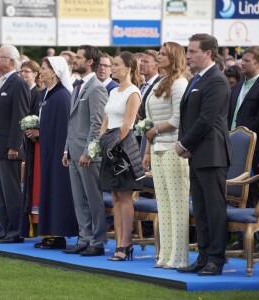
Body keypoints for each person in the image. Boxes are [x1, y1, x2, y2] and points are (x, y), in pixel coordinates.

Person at [175, 34, 232, 276]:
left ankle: (216, 260)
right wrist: (184, 142)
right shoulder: (196, 79)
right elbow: (187, 116)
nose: (188, 55)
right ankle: (204, 256)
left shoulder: (216, 80)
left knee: (214, 209)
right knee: (200, 210)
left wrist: (184, 142)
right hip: (197, 153)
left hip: (212, 154)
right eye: (188, 50)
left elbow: (206, 119)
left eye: (192, 51)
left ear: (208, 53)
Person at [142, 42, 189, 269]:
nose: (158, 57)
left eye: (162, 54)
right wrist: (148, 149)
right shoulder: (160, 82)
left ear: (173, 57)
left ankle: (179, 256)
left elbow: (178, 120)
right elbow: (150, 118)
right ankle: (165, 253)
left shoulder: (180, 83)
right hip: (158, 147)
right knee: (163, 204)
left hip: (174, 149)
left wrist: (155, 130)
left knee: (177, 206)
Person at [62, 45, 108, 256]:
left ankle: (97, 242)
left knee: (92, 199)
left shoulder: (97, 88)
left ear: (90, 62)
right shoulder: (77, 86)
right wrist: (66, 150)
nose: (74, 61)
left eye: (79, 57)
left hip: (87, 154)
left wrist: (89, 152)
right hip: (73, 150)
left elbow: (97, 124)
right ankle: (84, 238)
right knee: (79, 199)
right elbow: (72, 122)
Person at [99, 51, 144, 261]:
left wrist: (113, 145)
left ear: (128, 68)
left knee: (125, 197)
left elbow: (127, 123)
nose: (112, 68)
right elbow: (106, 119)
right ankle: (119, 242)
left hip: (123, 147)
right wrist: (100, 142)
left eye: (116, 65)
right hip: (109, 143)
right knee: (115, 197)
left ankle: (126, 245)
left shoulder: (133, 92)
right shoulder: (114, 91)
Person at [0, 45, 30, 243]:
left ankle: (15, 231)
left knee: (11, 191)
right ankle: (3, 229)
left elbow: (19, 116)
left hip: (9, 147)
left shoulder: (18, 83)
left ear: (11, 61)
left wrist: (15, 145)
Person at [227, 46, 259, 252]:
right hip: (232, 147)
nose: (242, 63)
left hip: (253, 148)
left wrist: (258, 153)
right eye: (242, 60)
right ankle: (240, 235)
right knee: (236, 193)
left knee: (253, 191)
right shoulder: (237, 87)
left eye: (247, 61)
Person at [33, 56, 78, 249]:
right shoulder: (46, 94)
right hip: (47, 149)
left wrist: (41, 132)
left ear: (54, 72)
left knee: (58, 191)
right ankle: (49, 232)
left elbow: (63, 128)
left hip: (58, 151)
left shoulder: (61, 96)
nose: (40, 72)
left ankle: (58, 234)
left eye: (44, 68)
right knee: (49, 190)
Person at [19, 60, 42, 237]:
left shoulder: (38, 93)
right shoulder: (24, 91)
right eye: (22, 71)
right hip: (26, 142)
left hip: (34, 144)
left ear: (35, 73)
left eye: (27, 71)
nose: (23, 74)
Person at [138, 50, 161, 120]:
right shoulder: (141, 86)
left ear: (156, 65)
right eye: (141, 61)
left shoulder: (160, 84)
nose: (141, 64)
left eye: (146, 62)